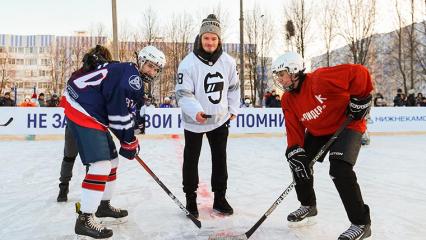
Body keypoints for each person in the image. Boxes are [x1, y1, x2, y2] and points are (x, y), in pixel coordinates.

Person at [61, 45, 165, 239]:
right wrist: (129, 141)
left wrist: (129, 140)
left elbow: (121, 115)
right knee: (101, 164)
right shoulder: (132, 78)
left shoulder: (127, 71)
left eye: (156, 69)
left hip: (85, 107)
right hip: (83, 110)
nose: (152, 71)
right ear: (141, 61)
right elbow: (118, 112)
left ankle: (102, 205)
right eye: (150, 66)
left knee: (113, 161)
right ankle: (84, 219)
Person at [272, 52, 372, 240]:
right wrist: (294, 149)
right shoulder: (287, 99)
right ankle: (308, 205)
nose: (279, 79)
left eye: (282, 74)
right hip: (319, 131)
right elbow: (293, 128)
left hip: (347, 124)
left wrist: (361, 98)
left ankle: (361, 223)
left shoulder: (320, 79)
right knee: (298, 161)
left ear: (294, 72)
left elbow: (359, 72)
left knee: (340, 170)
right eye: (277, 75)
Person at [175, 14, 240, 219]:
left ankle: (220, 198)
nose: (210, 42)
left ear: (219, 39)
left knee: (220, 159)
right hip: (195, 120)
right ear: (200, 38)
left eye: (213, 38)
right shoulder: (188, 63)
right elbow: (183, 94)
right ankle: (190, 199)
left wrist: (232, 110)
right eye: (206, 38)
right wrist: (196, 111)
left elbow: (234, 88)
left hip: (219, 120)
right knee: (191, 159)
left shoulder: (228, 62)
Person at [56, 47, 114, 203]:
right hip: (89, 125)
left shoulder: (77, 75)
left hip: (73, 123)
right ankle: (90, 195)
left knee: (69, 157)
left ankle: (63, 188)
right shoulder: (102, 76)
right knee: (94, 161)